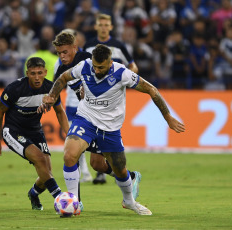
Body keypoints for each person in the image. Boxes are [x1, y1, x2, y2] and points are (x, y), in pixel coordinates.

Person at [40, 44, 185, 215]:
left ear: (110, 63)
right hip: (86, 119)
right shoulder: (85, 66)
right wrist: (52, 95)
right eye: (95, 66)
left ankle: (129, 201)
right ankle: (74, 202)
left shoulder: (122, 73)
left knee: (119, 168)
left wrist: (167, 117)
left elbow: (151, 90)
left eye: (100, 67)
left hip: (110, 127)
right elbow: (63, 77)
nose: (96, 70)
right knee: (69, 154)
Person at [0, 57, 69, 211]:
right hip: (13, 131)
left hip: (35, 130)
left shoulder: (51, 88)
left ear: (45, 72)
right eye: (33, 73)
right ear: (27, 73)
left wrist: (70, 135)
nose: (37, 77)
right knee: (40, 159)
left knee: (47, 170)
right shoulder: (14, 89)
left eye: (40, 73)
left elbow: (60, 112)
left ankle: (33, 193)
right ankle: (60, 198)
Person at [84, 13, 138, 184]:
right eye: (101, 24)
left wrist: (128, 81)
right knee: (95, 140)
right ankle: (118, 173)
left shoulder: (118, 46)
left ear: (111, 27)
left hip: (112, 101)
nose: (104, 27)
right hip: (92, 99)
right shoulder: (88, 46)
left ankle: (118, 173)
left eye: (107, 24)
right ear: (96, 26)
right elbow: (83, 69)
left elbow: (132, 66)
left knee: (106, 135)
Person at [52, 30, 93, 183]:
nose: (62, 55)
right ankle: (84, 172)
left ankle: (121, 174)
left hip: (93, 109)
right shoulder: (61, 63)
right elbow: (55, 85)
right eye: (59, 52)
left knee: (97, 151)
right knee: (74, 141)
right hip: (72, 105)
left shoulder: (88, 58)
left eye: (64, 51)